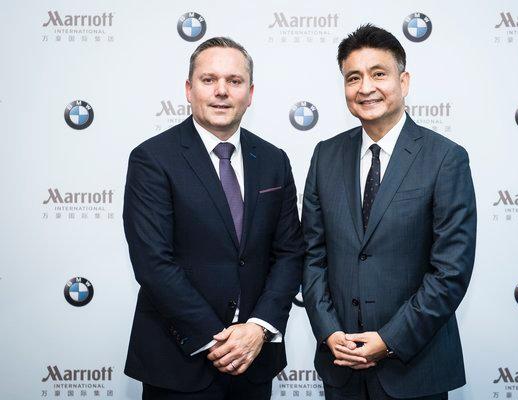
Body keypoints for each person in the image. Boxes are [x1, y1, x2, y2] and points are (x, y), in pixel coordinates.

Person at [123, 37, 304, 399]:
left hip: (254, 360)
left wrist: (257, 329)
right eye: (209, 80)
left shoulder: (274, 160)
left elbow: (289, 253)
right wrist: (220, 341)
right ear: (189, 90)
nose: (221, 91)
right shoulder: (152, 159)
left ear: (250, 94)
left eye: (234, 81)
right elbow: (153, 263)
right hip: (179, 364)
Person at [302, 24, 477, 400]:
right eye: (353, 77)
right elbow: (312, 258)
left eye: (378, 74)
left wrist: (389, 339)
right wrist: (330, 332)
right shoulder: (325, 155)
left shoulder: (445, 158)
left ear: (404, 81)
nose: (365, 87)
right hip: (342, 367)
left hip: (414, 368)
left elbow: (450, 272)